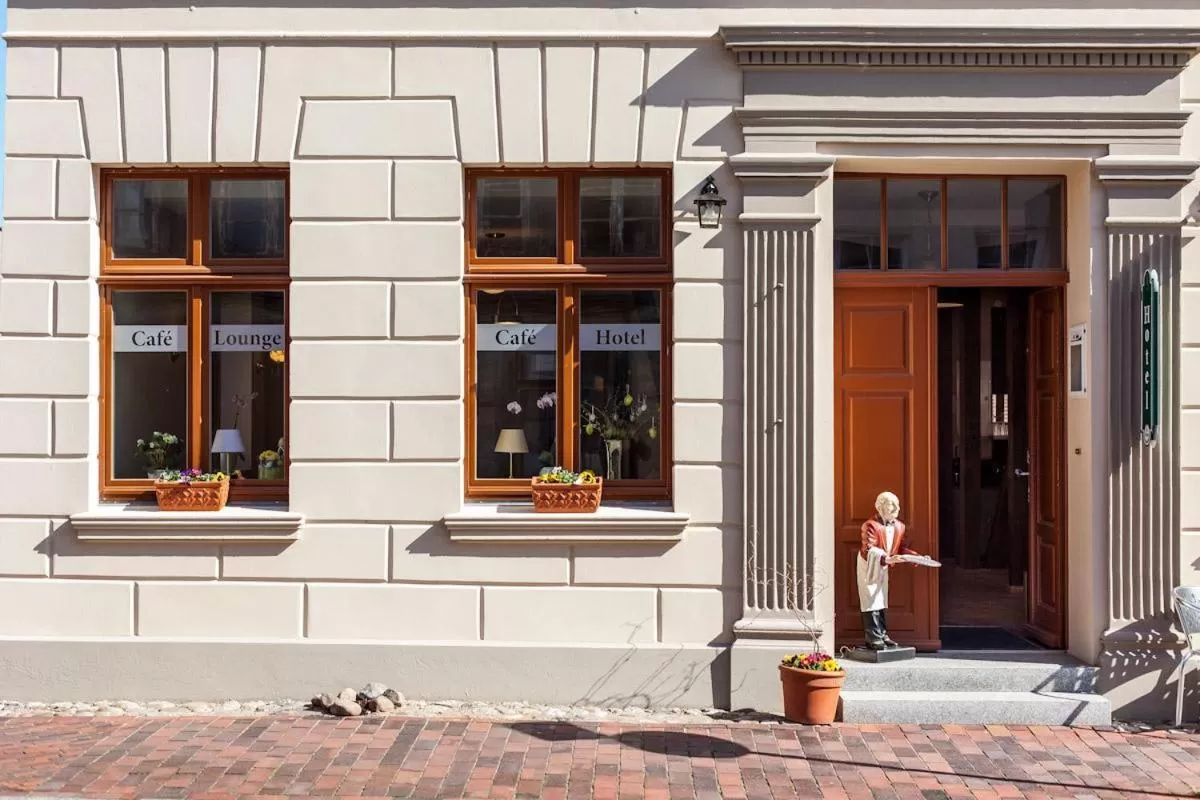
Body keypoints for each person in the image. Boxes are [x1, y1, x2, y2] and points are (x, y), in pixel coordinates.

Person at [857, 491, 920, 650]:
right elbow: (868, 549)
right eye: (889, 505)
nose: (893, 509)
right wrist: (886, 559)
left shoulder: (899, 526)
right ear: (880, 507)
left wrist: (916, 557)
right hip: (869, 566)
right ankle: (873, 637)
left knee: (881, 598)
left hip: (883, 566)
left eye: (894, 506)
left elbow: (900, 548)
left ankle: (883, 634)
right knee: (870, 599)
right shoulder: (871, 525)